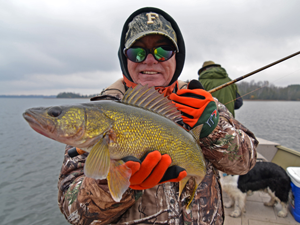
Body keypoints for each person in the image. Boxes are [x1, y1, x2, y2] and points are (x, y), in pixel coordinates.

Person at [58, 7, 258, 225]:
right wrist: (116, 182)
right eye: (137, 52)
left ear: (177, 58)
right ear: (125, 59)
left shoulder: (202, 103)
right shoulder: (97, 115)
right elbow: (75, 213)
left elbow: (245, 165)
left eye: (163, 51)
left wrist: (214, 129)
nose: (151, 60)